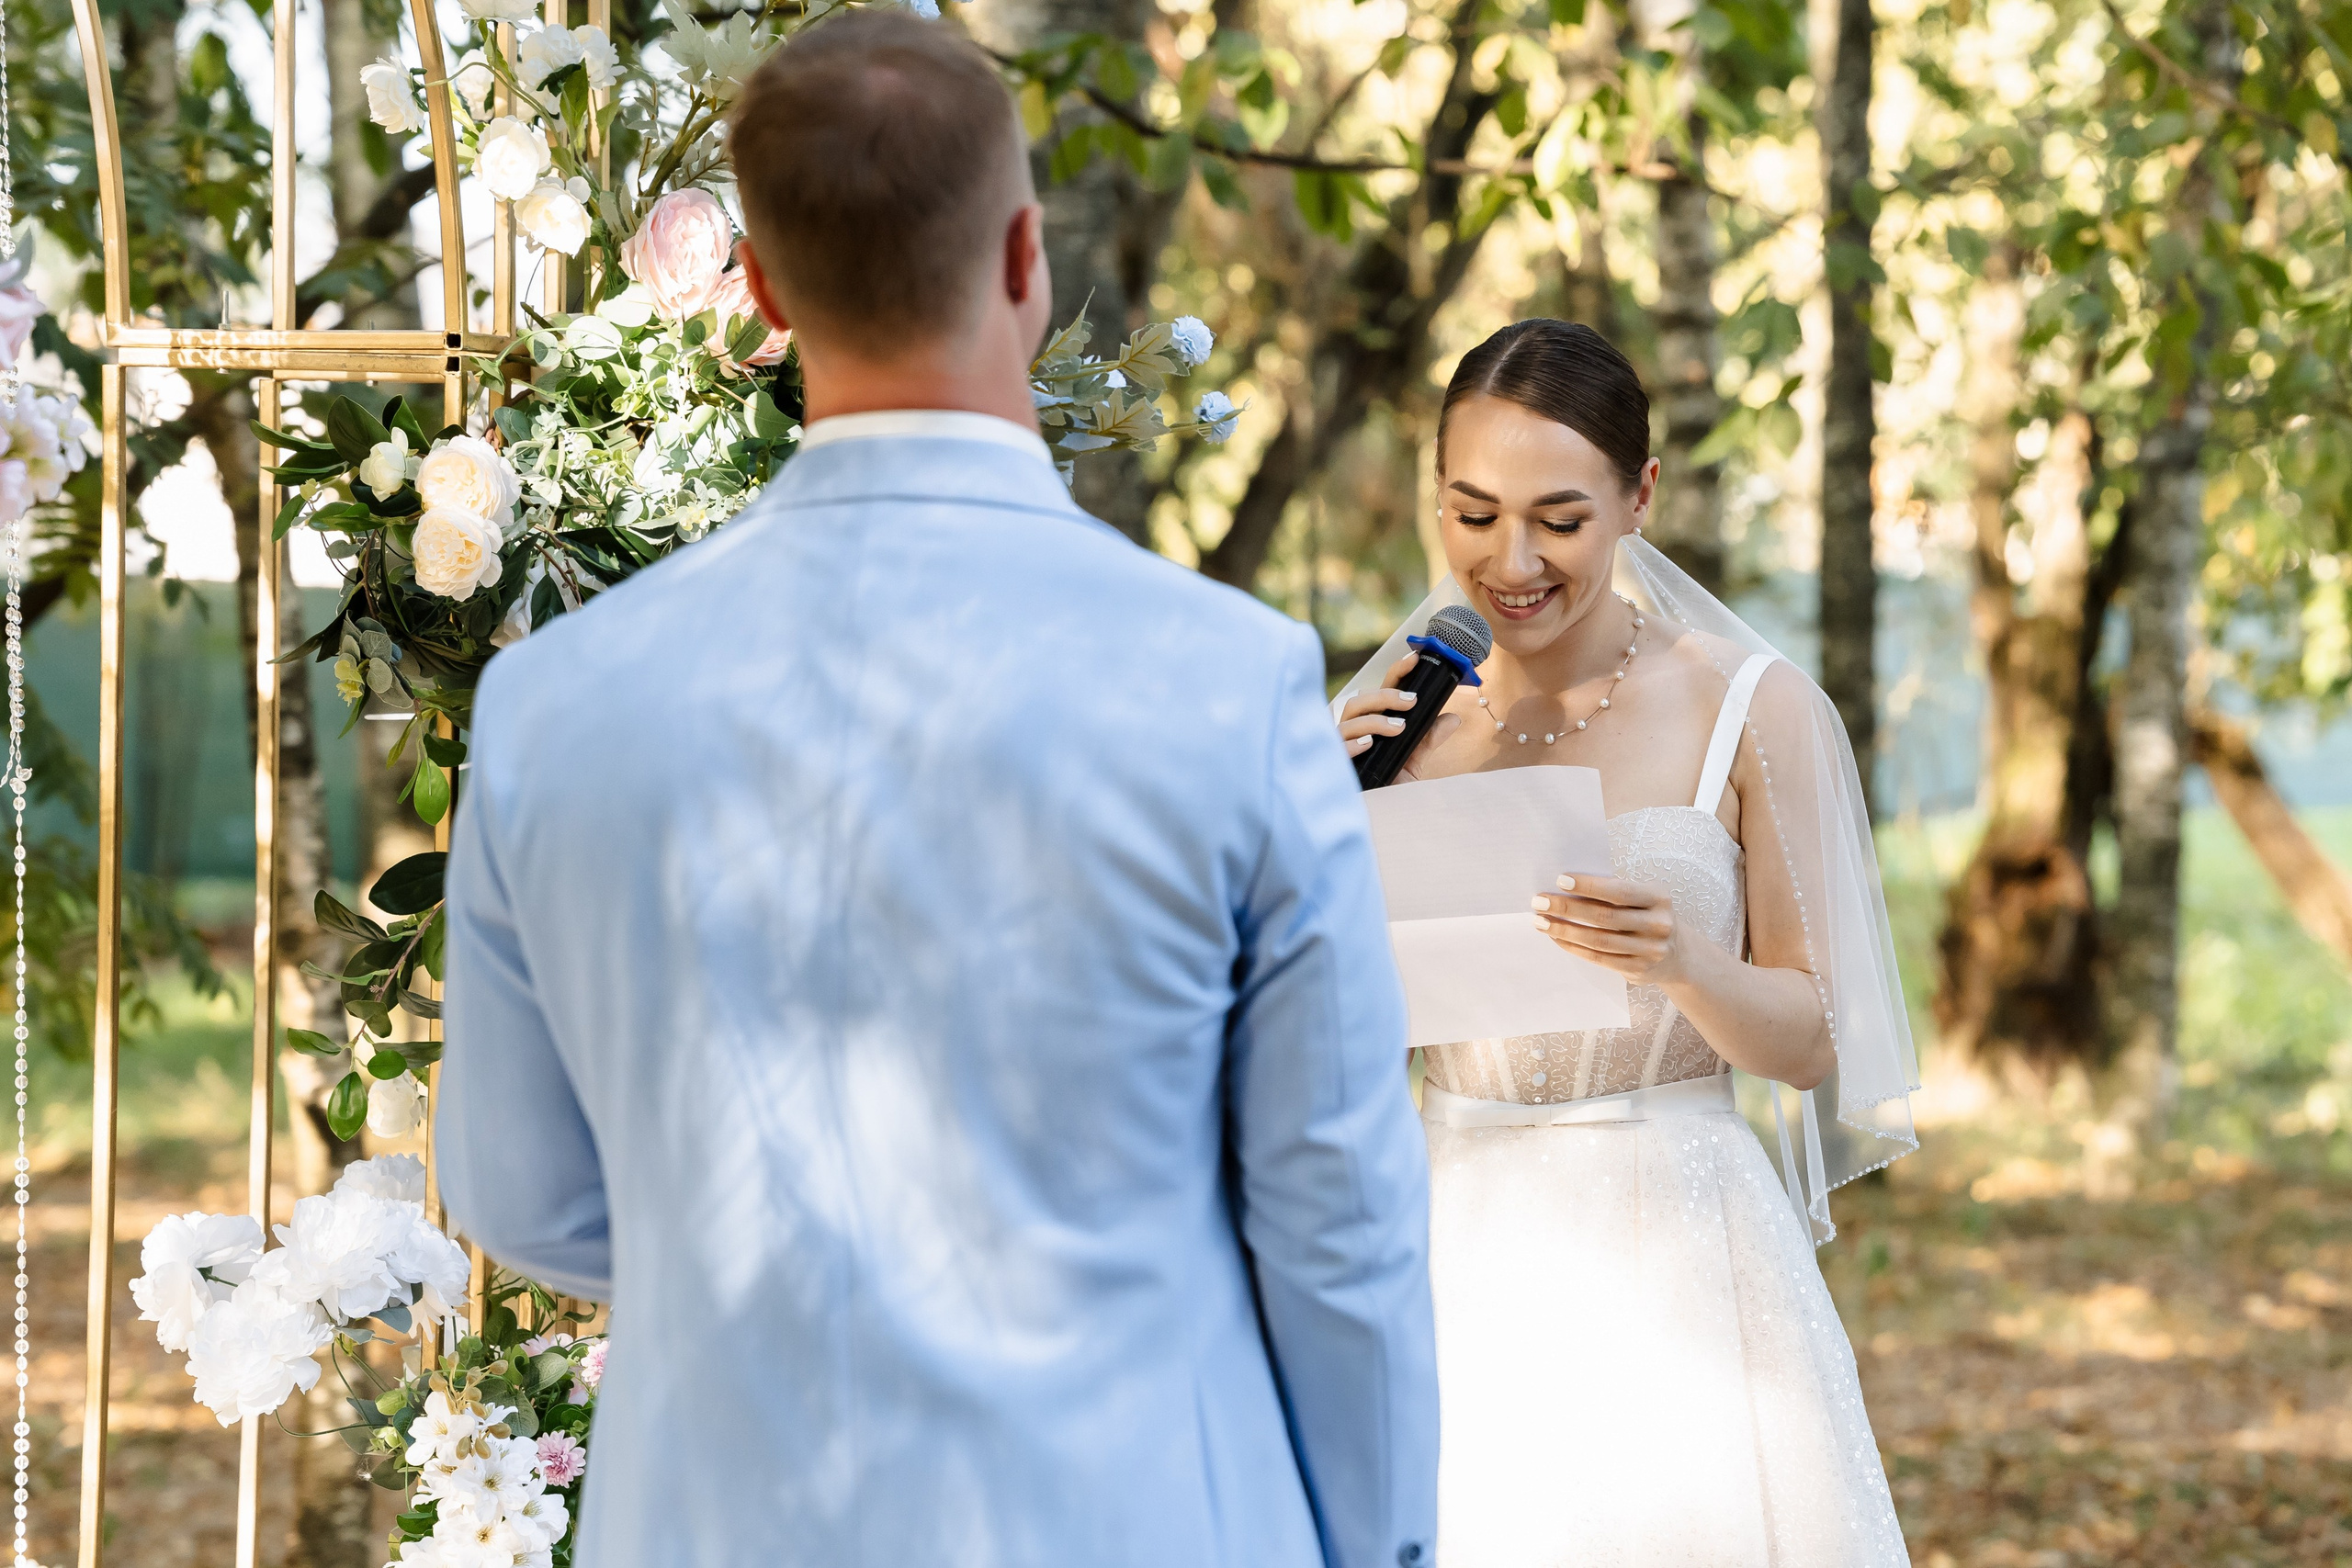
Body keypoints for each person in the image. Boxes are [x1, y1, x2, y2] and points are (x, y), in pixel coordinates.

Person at [435, 15, 1439, 1566]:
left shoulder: (552, 704)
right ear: (1028, 257)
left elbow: (518, 1189)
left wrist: (769, 1268)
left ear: (758, 292)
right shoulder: (1229, 684)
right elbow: (1340, 1225)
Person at [1337, 320, 1920, 1565]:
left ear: (1640, 497)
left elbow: (1817, 1041)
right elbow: (1317, 1024)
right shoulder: (1394, 714)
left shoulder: (1753, 709)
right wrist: (1310, 818)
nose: (1511, 560)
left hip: (1683, 1252)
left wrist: (1686, 964)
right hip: (1449, 1247)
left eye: (1560, 518)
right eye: (1473, 512)